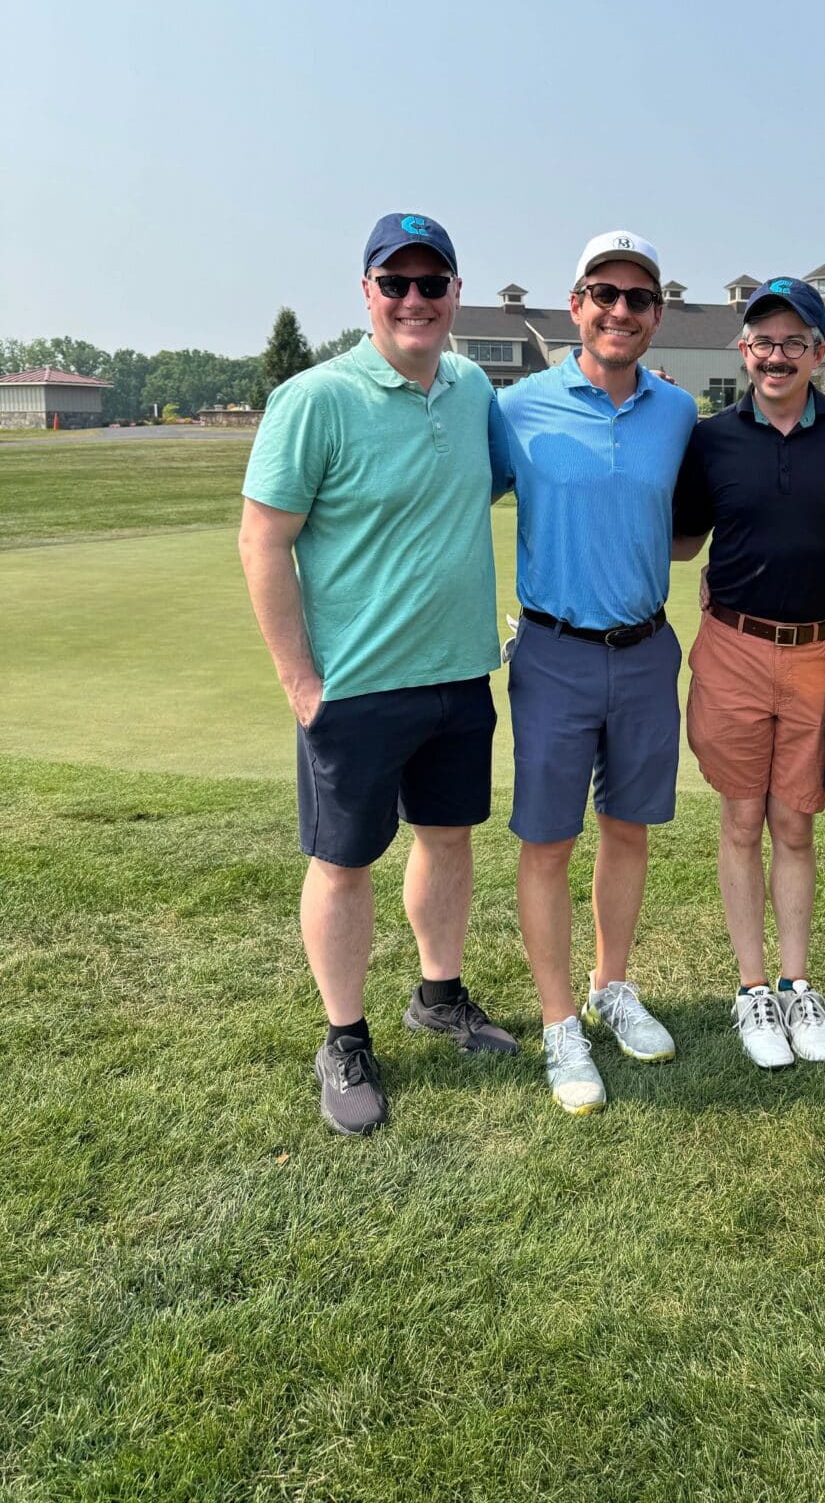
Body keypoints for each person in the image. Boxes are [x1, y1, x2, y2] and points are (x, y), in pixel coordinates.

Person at [238, 212, 518, 1137]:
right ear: (365, 293)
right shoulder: (314, 398)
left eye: (430, 284)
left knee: (447, 840)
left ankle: (438, 997)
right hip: (353, 689)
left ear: (454, 295)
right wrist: (298, 684)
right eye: (393, 283)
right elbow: (263, 540)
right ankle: (345, 1035)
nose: (413, 300)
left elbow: (507, 484)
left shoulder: (474, 387)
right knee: (345, 863)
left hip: (457, 676)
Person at [497, 231, 697, 1115]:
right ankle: (557, 1027)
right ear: (575, 304)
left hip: (648, 651)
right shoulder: (517, 408)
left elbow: (686, 526)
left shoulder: (678, 411)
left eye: (639, 298)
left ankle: (611, 987)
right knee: (548, 843)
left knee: (629, 829)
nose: (622, 311)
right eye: (604, 294)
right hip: (554, 652)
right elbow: (451, 502)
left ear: (657, 314)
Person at [672, 278, 825, 1068]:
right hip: (732, 646)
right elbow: (686, 540)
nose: (777, 355)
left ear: (819, 352)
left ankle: (796, 985)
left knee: (795, 823)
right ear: (743, 349)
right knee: (740, 819)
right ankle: (753, 990)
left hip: (819, 651)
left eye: (795, 341)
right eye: (763, 341)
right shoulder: (713, 437)